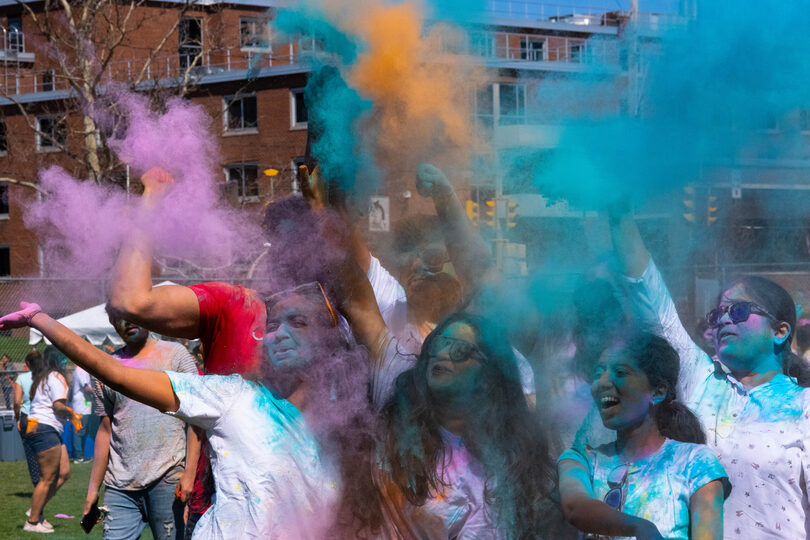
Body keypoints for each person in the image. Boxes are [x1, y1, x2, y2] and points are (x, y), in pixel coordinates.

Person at [1, 285, 380, 538]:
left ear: (333, 338)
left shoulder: (350, 431)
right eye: (273, 324)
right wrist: (41, 321)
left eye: (298, 322)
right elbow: (116, 373)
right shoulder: (234, 397)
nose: (279, 333)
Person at [609, 210, 810, 538]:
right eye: (719, 312)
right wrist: (617, 213)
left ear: (780, 331)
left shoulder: (804, 406)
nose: (725, 319)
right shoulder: (702, 383)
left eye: (740, 310)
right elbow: (651, 300)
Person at [558, 332, 729, 540]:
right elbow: (575, 506)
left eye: (620, 372)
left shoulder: (696, 462)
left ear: (657, 392)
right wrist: (638, 527)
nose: (602, 382)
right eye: (597, 373)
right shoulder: (581, 461)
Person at [83, 309, 198, 540]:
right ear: (112, 323)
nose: (126, 322)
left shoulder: (175, 355)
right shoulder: (106, 367)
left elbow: (197, 419)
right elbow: (105, 430)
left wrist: (190, 474)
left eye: (130, 314)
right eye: (117, 318)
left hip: (168, 477)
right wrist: (92, 490)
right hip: (119, 486)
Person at [23, 344, 76, 533]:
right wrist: (73, 414)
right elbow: (58, 406)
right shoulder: (57, 377)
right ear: (58, 359)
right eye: (64, 357)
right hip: (45, 428)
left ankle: (35, 510)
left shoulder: (43, 376)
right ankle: (32, 522)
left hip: (42, 427)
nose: (66, 361)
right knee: (48, 478)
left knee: (64, 473)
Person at [14, 350, 42, 488]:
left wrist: (17, 418)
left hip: (28, 417)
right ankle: (46, 480)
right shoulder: (45, 377)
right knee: (44, 450)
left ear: (27, 364)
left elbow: (17, 401)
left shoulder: (21, 378)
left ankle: (37, 482)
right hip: (43, 418)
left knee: (31, 452)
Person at [70, 364, 93, 462]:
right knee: (79, 431)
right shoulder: (81, 370)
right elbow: (86, 387)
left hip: (85, 405)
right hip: (80, 407)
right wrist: (99, 391)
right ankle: (78, 456)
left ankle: (81, 455)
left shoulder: (84, 370)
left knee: (83, 431)